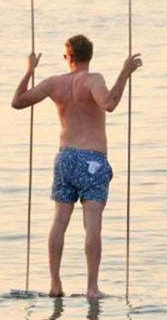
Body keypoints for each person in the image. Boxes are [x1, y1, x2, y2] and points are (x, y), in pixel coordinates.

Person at [12, 34, 142, 299]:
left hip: (65, 157)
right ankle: (92, 287)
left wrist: (30, 71)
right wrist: (125, 73)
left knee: (60, 220)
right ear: (89, 56)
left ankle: (55, 284)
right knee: (92, 223)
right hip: (92, 159)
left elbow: (18, 101)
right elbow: (110, 103)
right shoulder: (93, 80)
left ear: (67, 57)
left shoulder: (54, 83)